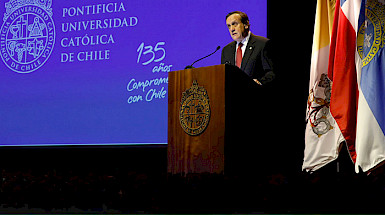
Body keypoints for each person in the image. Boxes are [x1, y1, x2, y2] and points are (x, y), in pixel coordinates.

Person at [221, 11, 275, 86]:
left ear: (246, 24)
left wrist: (259, 82)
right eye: (229, 26)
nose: (231, 29)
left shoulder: (263, 44)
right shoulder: (226, 50)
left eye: (234, 24)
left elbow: (272, 73)